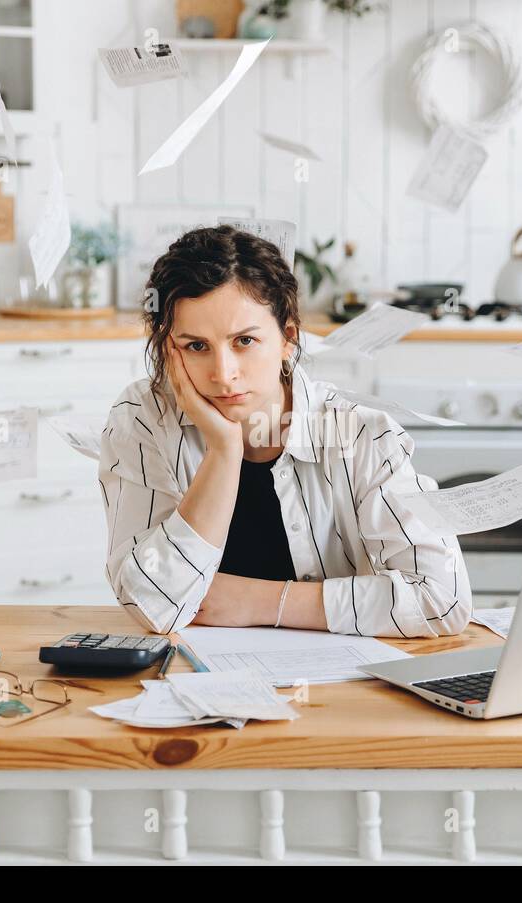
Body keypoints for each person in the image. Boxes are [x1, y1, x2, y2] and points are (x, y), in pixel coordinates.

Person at [98, 225, 472, 637]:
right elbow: (152, 604)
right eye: (196, 346)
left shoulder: (363, 435)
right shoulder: (142, 419)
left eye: (244, 340)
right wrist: (223, 450)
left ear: (287, 338)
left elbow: (443, 599)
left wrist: (260, 602)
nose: (224, 375)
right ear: (169, 348)